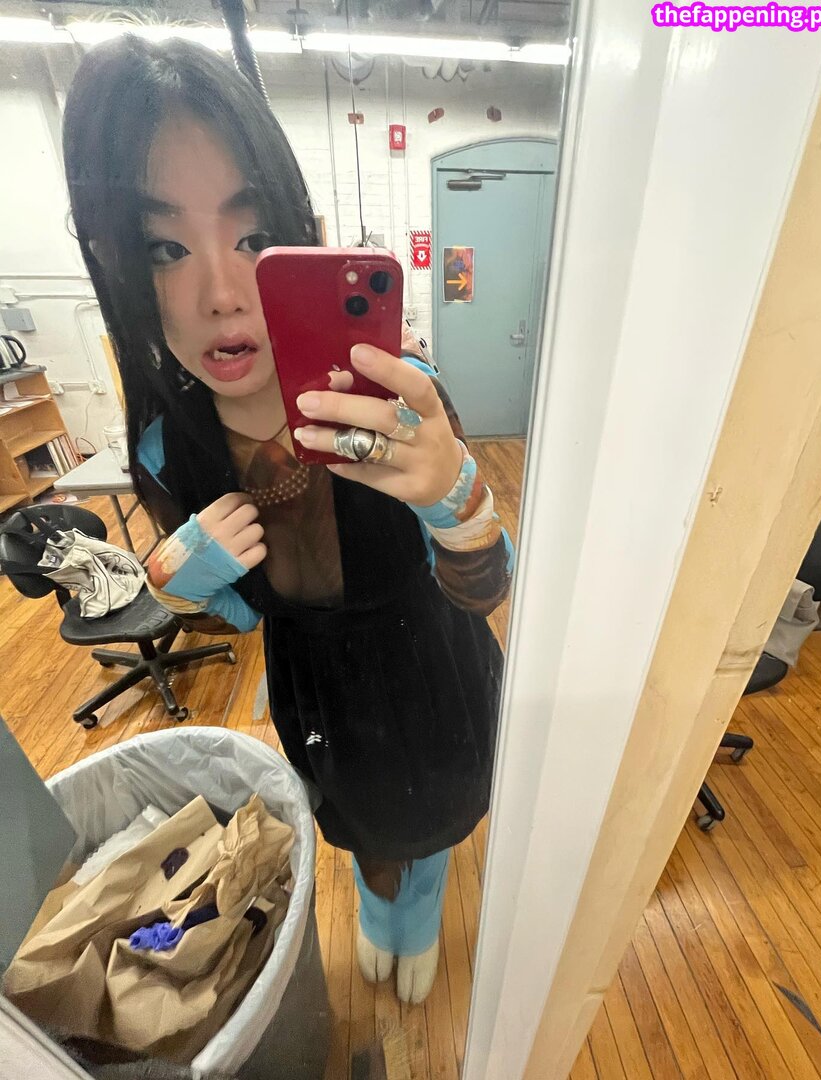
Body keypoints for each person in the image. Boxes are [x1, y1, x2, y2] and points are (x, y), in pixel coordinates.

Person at [62, 35, 513, 1005]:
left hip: (428, 670)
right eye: (166, 247)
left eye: (253, 236)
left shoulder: (392, 396)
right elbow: (242, 614)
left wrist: (457, 497)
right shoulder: (172, 449)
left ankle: (418, 906)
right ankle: (384, 904)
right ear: (121, 264)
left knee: (430, 823)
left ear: (302, 239)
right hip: (317, 694)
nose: (222, 294)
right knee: (357, 828)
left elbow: (488, 587)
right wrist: (178, 579)